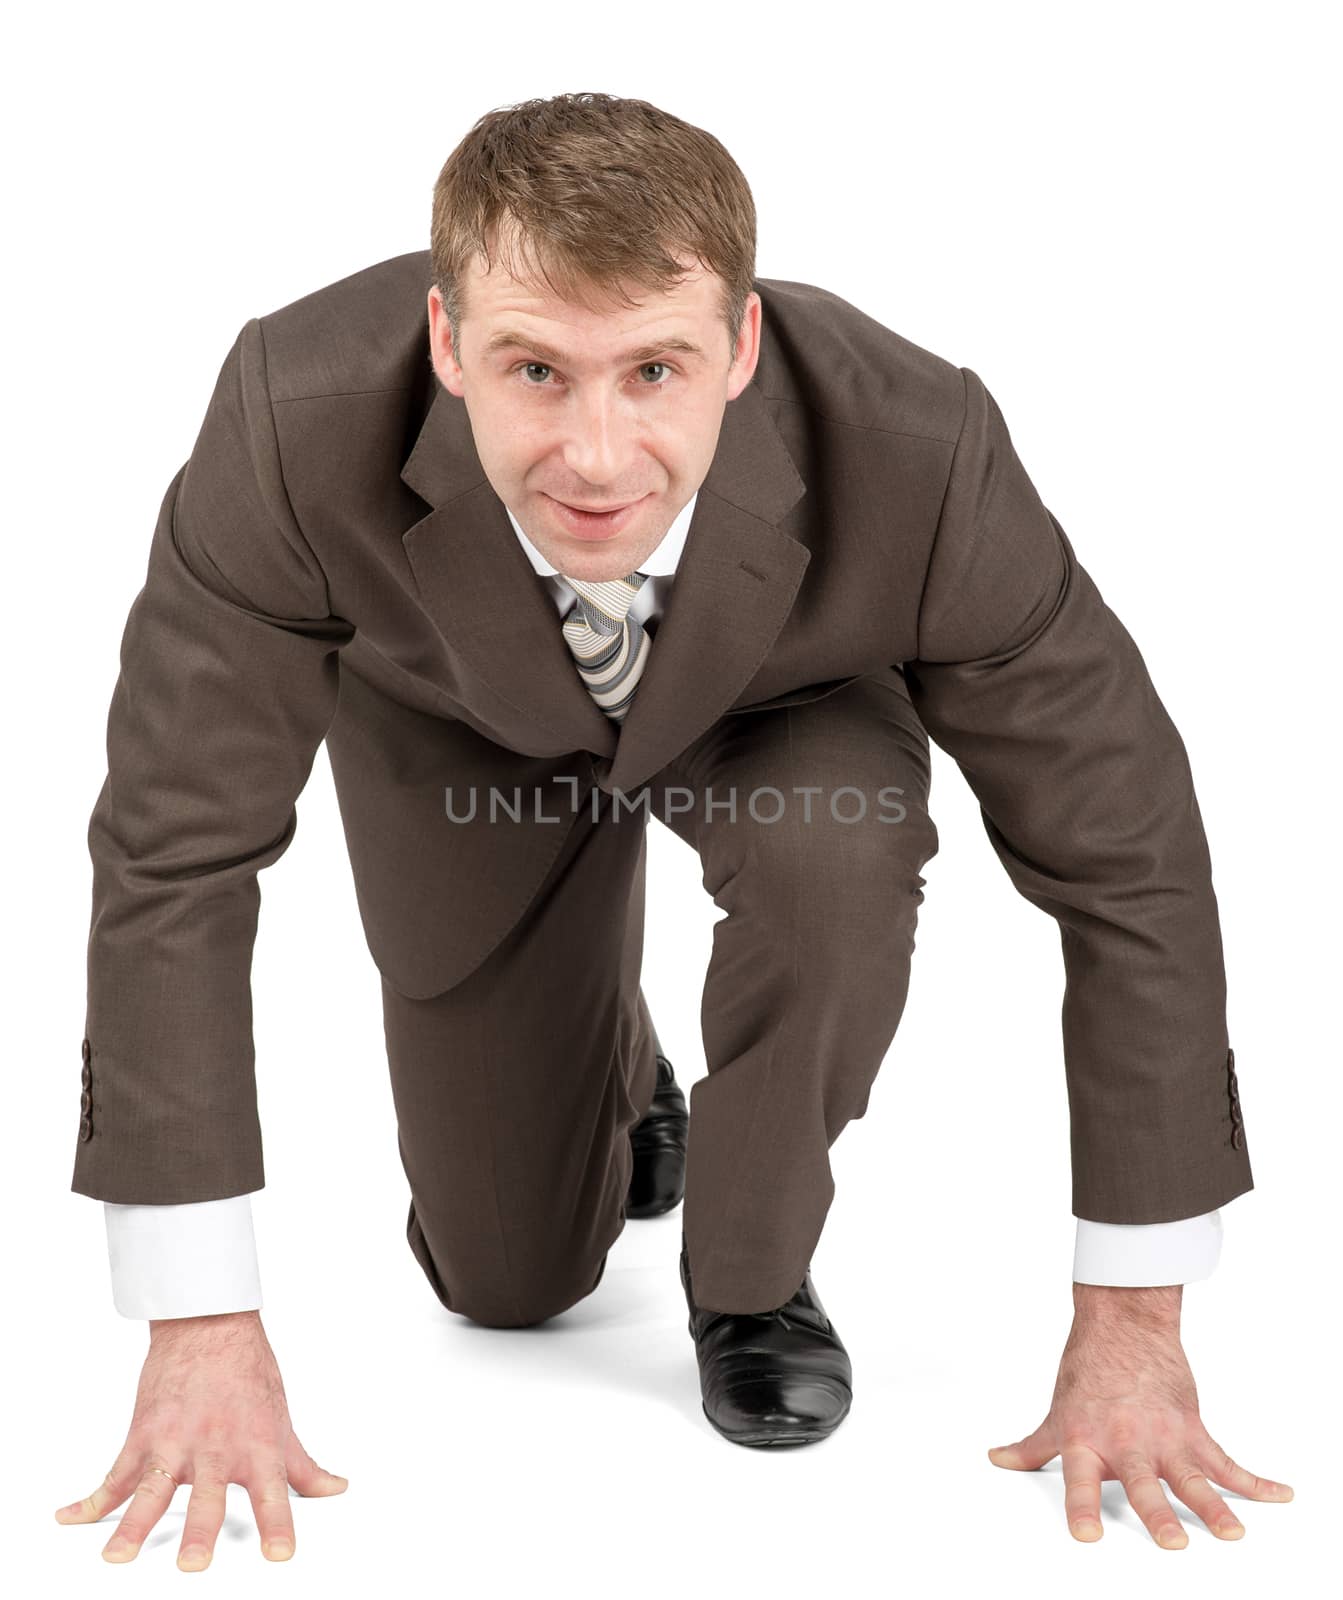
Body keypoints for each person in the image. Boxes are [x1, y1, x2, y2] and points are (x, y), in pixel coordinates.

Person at [55, 91, 1292, 1569]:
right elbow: (172, 851)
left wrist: (1135, 1321)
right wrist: (197, 1327)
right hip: (456, 721)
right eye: (534, 370)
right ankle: (622, 1067)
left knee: (834, 858)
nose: (595, 455)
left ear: (743, 348)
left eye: (655, 370)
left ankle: (755, 1281)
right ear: (448, 344)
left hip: (781, 704)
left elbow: (1127, 849)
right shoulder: (287, 416)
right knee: (503, 1282)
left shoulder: (921, 450)